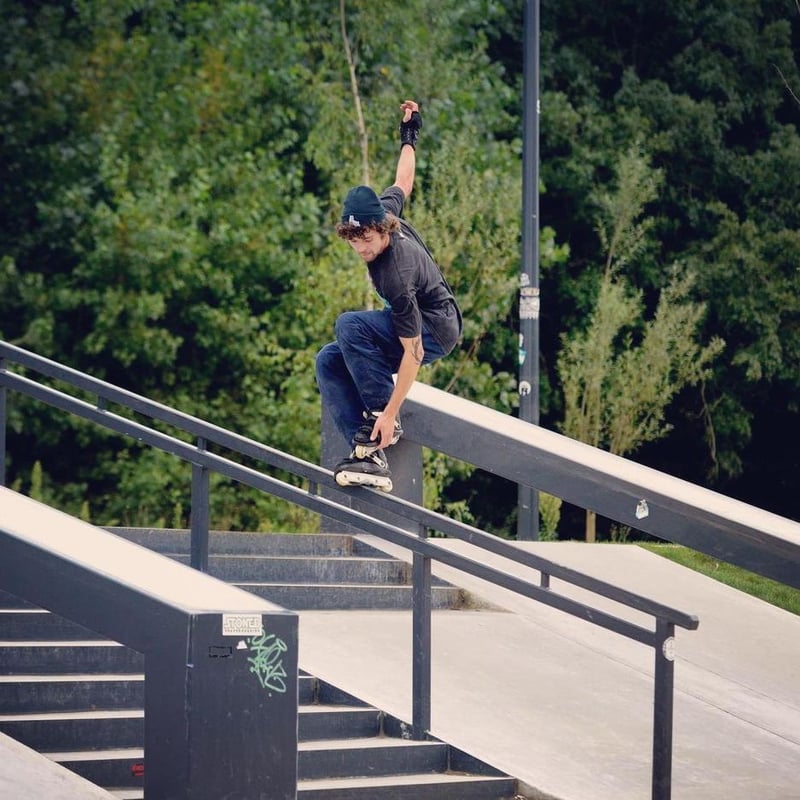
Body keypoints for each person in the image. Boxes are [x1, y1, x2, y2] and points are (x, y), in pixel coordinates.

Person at [316, 99, 463, 490]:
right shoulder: (382, 209)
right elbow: (403, 181)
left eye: (366, 240)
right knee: (329, 360)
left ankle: (383, 426)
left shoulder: (396, 273)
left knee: (350, 325)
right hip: (421, 324)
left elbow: (412, 353)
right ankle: (367, 453)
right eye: (354, 242)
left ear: (382, 229)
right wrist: (409, 134)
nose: (362, 249)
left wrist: (390, 410)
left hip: (435, 328)